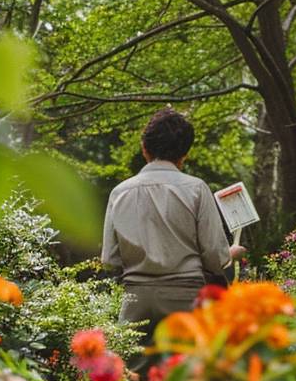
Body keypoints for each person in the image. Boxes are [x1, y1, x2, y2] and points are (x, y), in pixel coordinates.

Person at [101, 108, 246, 354]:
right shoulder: (197, 189)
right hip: (186, 300)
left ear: (144, 148)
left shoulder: (120, 192)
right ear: (184, 154)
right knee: (186, 379)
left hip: (136, 301)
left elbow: (109, 260)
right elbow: (214, 256)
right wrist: (231, 253)